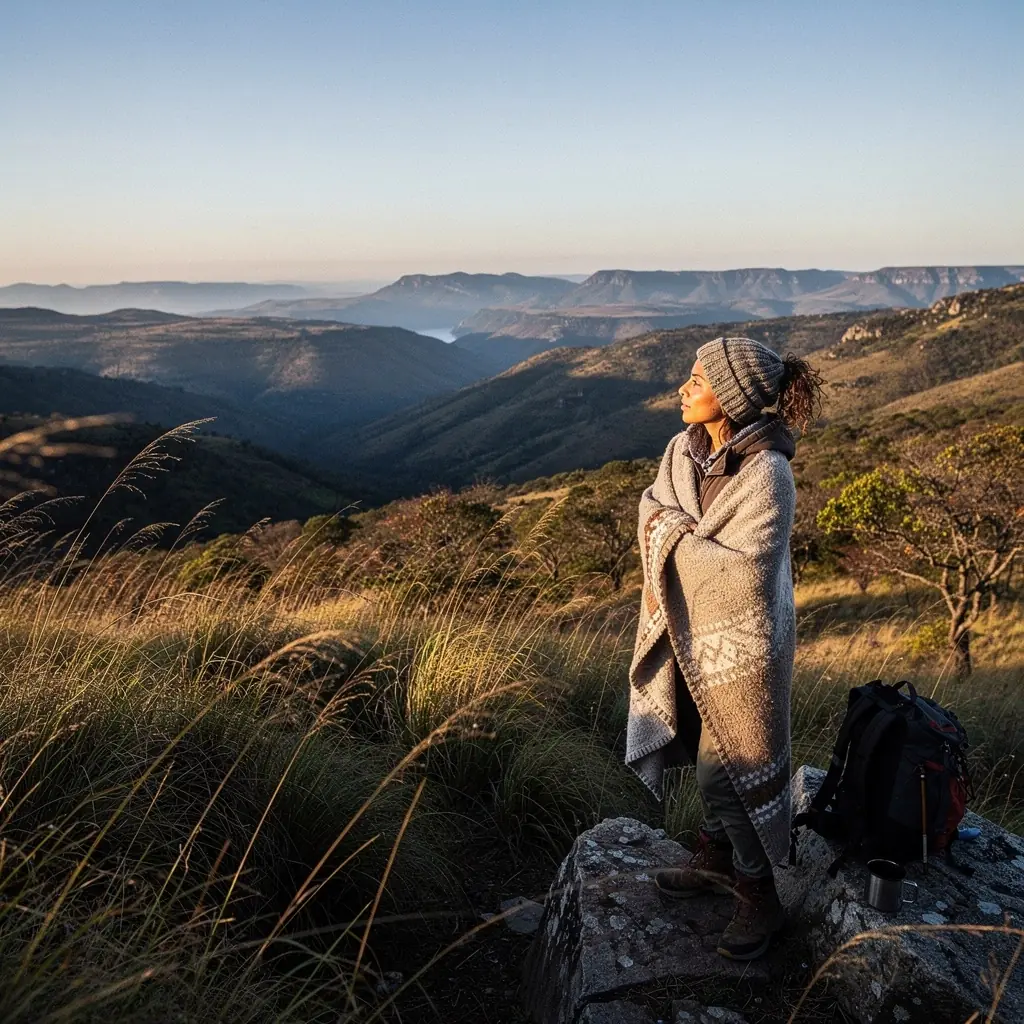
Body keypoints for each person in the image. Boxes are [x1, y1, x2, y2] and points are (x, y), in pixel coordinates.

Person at [625, 336, 825, 961]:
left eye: (696, 379)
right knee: (697, 745)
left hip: (744, 645)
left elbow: (745, 574)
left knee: (724, 769)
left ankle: (757, 891)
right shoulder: (681, 451)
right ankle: (713, 861)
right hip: (683, 624)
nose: (683, 388)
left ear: (732, 398)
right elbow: (651, 507)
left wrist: (671, 535)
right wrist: (675, 531)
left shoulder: (770, 474)